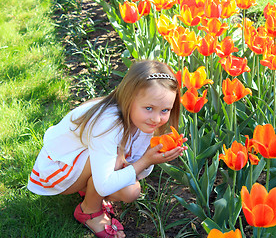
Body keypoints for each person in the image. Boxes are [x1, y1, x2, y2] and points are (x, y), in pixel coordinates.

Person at [27, 60, 187, 238]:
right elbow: (106, 185)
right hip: (55, 169)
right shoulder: (109, 123)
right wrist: (147, 160)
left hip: (81, 164)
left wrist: (155, 154)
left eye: (165, 110)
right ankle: (88, 211)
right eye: (149, 108)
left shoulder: (144, 121)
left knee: (131, 190)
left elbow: (138, 171)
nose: (157, 119)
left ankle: (88, 189)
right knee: (118, 159)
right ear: (129, 98)